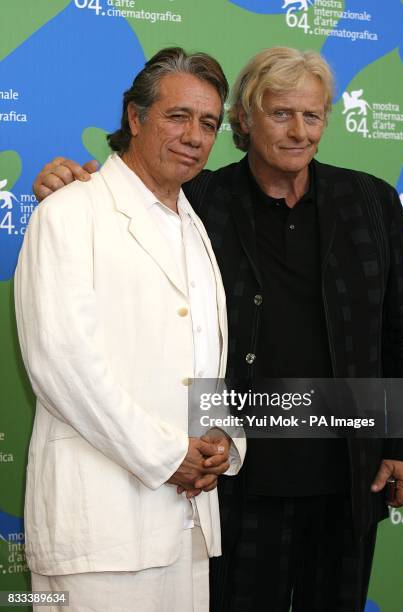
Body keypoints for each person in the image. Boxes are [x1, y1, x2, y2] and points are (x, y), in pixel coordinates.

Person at [33, 47, 403, 612]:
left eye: (311, 115)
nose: (298, 131)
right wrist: (69, 181)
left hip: (348, 473)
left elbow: (401, 331)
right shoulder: (197, 201)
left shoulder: (372, 202)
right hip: (240, 478)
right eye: (280, 113)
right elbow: (129, 196)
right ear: (245, 120)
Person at [15, 47, 245, 612]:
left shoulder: (195, 227)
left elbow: (205, 360)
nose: (194, 135)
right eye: (177, 116)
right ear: (135, 117)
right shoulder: (69, 213)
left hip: (188, 525)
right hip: (99, 532)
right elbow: (63, 365)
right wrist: (171, 455)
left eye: (209, 123)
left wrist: (220, 443)